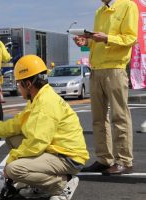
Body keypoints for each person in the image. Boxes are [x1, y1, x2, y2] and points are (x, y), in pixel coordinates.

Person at [0, 55, 89, 200]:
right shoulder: (38, 98)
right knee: (13, 138)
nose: (18, 88)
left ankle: (62, 185)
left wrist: (10, 163)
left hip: (68, 158)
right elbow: (14, 125)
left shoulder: (44, 104)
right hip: (57, 150)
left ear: (28, 83)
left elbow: (37, 143)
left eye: (19, 83)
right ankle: (38, 185)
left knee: (14, 169)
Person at [73, 0, 138, 175]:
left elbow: (131, 38)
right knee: (98, 118)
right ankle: (104, 159)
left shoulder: (128, 6)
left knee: (120, 116)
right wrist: (85, 42)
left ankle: (124, 161)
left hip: (115, 69)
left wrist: (107, 37)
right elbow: (96, 42)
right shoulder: (99, 11)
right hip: (96, 69)